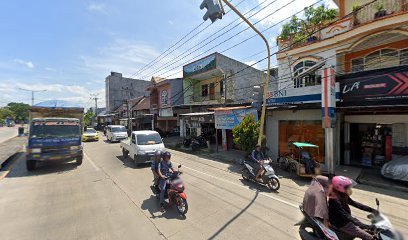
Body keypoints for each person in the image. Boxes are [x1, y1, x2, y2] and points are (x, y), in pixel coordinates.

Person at [329, 176, 377, 240]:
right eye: (348, 188)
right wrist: (364, 225)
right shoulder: (334, 199)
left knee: (370, 230)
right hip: (341, 223)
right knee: (369, 237)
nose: (350, 189)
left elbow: (354, 203)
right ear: (339, 187)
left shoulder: (342, 194)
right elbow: (344, 214)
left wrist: (371, 210)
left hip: (346, 219)